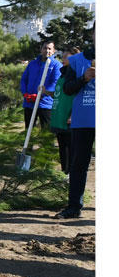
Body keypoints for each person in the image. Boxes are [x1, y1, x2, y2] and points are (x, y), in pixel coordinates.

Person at [55, 51, 94, 219]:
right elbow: (67, 89)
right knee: (78, 165)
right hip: (83, 119)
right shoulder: (77, 61)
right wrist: (83, 79)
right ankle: (73, 207)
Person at [20, 39, 62, 135]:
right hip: (29, 102)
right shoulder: (32, 64)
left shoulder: (56, 65)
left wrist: (42, 94)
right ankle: (28, 149)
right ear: (41, 49)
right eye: (45, 48)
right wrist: (25, 93)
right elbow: (24, 79)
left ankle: (45, 150)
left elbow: (55, 82)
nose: (47, 51)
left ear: (54, 50)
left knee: (46, 131)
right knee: (29, 129)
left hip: (45, 103)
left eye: (49, 48)